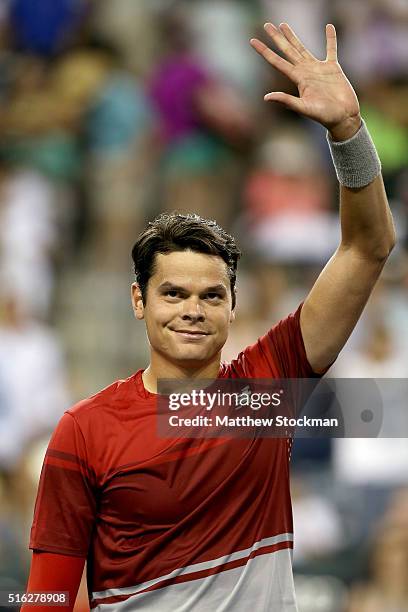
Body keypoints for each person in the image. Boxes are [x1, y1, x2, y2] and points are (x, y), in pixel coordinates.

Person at [22, 22, 395, 611]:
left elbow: (367, 248)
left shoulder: (267, 389)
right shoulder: (84, 431)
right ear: (138, 301)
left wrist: (348, 132)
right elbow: (46, 596)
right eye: (173, 294)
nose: (193, 311)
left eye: (211, 296)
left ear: (233, 306)